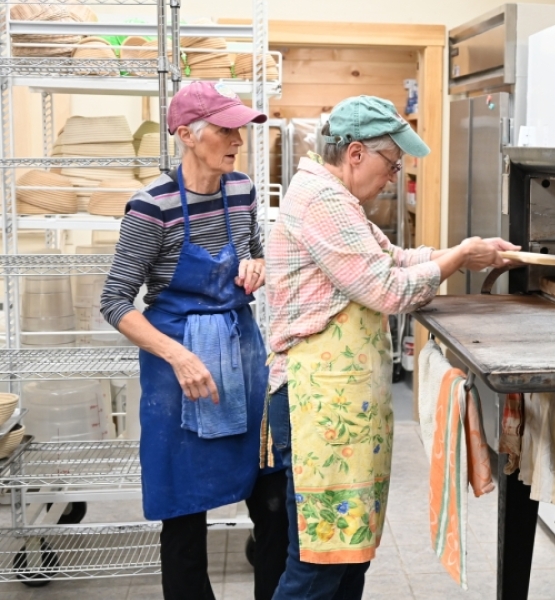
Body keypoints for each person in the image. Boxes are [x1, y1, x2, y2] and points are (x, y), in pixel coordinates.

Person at [264, 95, 517, 599]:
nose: (393, 177)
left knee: (348, 557)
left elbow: (393, 259)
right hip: (317, 405)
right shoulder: (323, 201)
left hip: (339, 406)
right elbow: (388, 289)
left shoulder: (335, 197)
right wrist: (455, 260)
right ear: (356, 153)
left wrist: (462, 254)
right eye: (392, 163)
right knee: (318, 565)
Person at [100, 81, 288, 600]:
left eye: (239, 130)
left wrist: (258, 266)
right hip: (177, 368)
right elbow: (115, 301)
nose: (237, 141)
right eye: (225, 130)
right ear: (186, 134)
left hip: (241, 357)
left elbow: (256, 254)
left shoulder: (242, 190)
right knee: (184, 518)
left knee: (274, 501)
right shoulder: (151, 208)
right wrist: (178, 356)